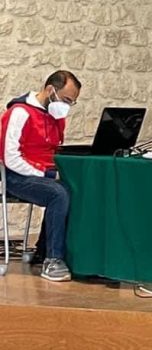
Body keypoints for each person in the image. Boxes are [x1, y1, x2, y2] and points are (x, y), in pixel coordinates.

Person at [0, 70, 82, 282]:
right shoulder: (19, 112)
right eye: (66, 100)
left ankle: (44, 250)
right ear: (50, 90)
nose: (67, 106)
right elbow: (10, 157)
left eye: (72, 102)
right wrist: (46, 174)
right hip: (15, 176)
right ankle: (53, 260)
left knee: (74, 188)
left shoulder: (55, 117)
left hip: (43, 174)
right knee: (58, 193)